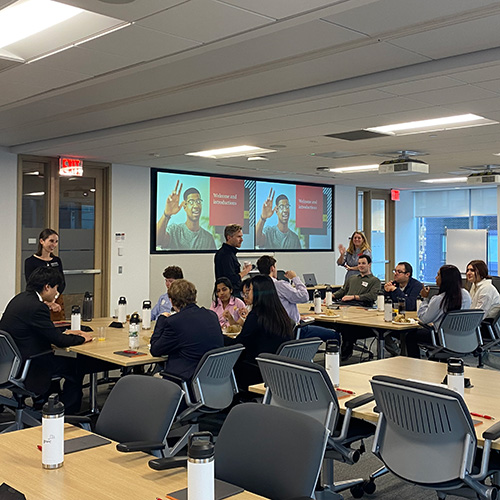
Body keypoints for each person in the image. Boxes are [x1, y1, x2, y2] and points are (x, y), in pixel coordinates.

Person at [0, 267, 93, 413]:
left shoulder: (20, 298)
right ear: (47, 287)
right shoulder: (37, 307)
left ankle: (47, 402)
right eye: (56, 288)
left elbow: (39, 330)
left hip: (8, 363)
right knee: (77, 367)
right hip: (29, 364)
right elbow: (59, 341)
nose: (57, 293)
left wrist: (65, 332)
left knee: (59, 362)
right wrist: (82, 338)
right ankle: (68, 413)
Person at [226, 275, 294, 389]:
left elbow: (240, 345)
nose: (247, 294)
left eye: (250, 290)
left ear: (258, 292)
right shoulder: (280, 313)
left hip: (258, 369)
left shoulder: (256, 315)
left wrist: (222, 338)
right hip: (280, 369)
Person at [150, 279, 224, 382]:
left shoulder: (174, 322)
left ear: (171, 301)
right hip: (213, 376)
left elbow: (155, 350)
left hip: (187, 378)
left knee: (149, 378)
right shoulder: (211, 315)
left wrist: (161, 320)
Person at [256, 255, 340, 342]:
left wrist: (297, 316)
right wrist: (295, 278)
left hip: (269, 330)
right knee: (334, 335)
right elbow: (304, 297)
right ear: (272, 268)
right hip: (292, 330)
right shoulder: (279, 285)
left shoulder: (257, 285)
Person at [406, 265, 472, 358]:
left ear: (445, 279)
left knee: (410, 336)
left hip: (442, 338)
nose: (435, 277)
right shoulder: (466, 295)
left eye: (438, 275)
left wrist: (425, 299)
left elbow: (424, 319)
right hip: (463, 337)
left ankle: (413, 364)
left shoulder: (440, 299)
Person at [156, 181, 216, 250]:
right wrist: (166, 214)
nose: (196, 205)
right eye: (191, 202)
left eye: (198, 201)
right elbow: (157, 241)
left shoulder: (208, 238)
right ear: (185, 206)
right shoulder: (175, 231)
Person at [24, 228, 65, 319]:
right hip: (37, 301)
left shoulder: (57, 261)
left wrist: (53, 299)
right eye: (51, 241)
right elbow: (30, 284)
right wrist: (46, 302)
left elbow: (62, 282)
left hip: (56, 300)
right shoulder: (30, 261)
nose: (54, 245)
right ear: (42, 241)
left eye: (56, 241)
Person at [214, 224, 252, 297]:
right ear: (229, 237)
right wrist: (246, 271)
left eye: (241, 236)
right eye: (238, 237)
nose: (241, 239)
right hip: (230, 296)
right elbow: (231, 279)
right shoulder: (226, 255)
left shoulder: (227, 253)